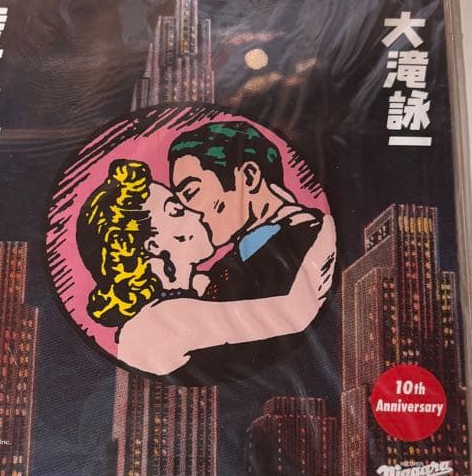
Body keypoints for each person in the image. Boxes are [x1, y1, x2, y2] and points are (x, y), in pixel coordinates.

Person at [76, 158, 335, 379]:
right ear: (153, 245)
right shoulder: (158, 320)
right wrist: (326, 225)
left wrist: (283, 215)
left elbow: (239, 261)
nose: (197, 213)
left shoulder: (194, 291)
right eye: (177, 211)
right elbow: (295, 312)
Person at [167, 119, 330, 382]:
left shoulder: (312, 239)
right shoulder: (226, 264)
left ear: (249, 177)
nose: (187, 214)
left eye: (191, 192)